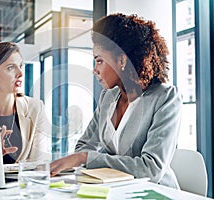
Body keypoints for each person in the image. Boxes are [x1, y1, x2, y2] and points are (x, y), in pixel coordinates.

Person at [50, 13, 182, 189]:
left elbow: (151, 169)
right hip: (117, 191)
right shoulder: (109, 97)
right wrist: (85, 157)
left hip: (157, 192)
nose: (94, 70)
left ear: (121, 60)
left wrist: (86, 159)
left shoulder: (165, 98)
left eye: (99, 61)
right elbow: (85, 145)